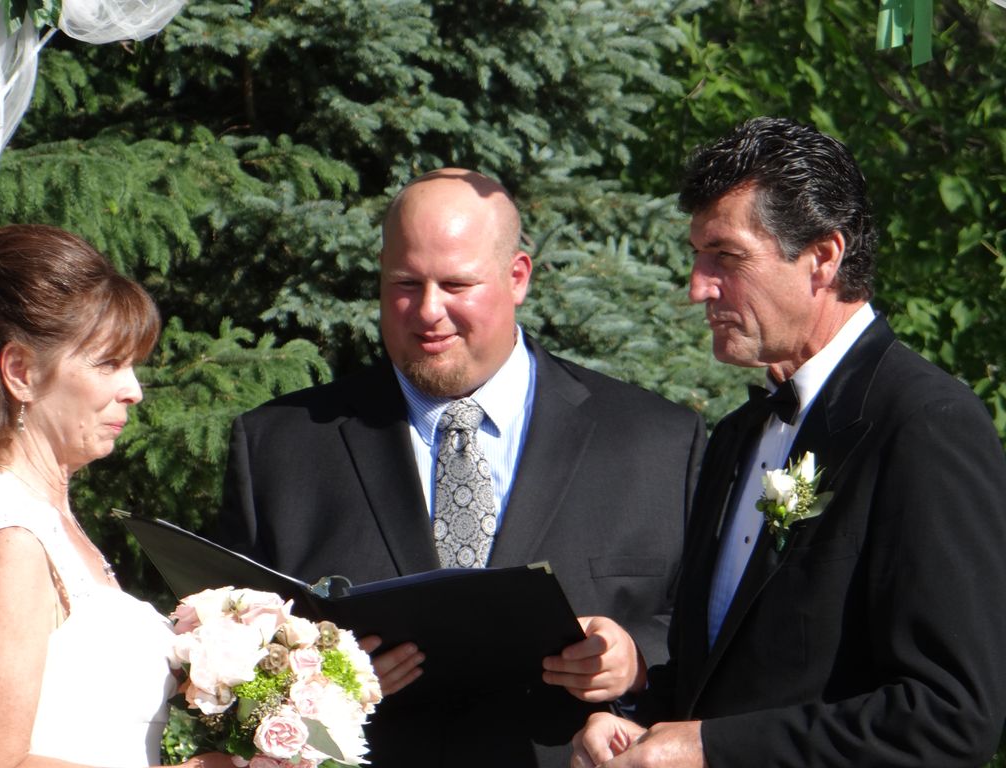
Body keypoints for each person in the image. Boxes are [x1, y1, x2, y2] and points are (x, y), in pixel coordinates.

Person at [215, 168, 706, 767]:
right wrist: (319, 679)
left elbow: (706, 627)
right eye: (404, 283)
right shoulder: (280, 448)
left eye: (456, 284)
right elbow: (223, 656)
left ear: (517, 276)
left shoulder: (656, 441)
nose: (428, 311)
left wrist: (634, 659)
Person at [571, 116, 1006, 768]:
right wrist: (640, 713)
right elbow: (731, 683)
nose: (698, 287)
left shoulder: (924, 425)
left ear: (823, 258)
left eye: (727, 257)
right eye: (697, 256)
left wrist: (708, 749)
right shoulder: (737, 434)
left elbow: (951, 718)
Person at [0, 225, 230, 768]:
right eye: (108, 363)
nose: (134, 389)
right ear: (21, 372)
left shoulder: (47, 523)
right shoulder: (12, 540)